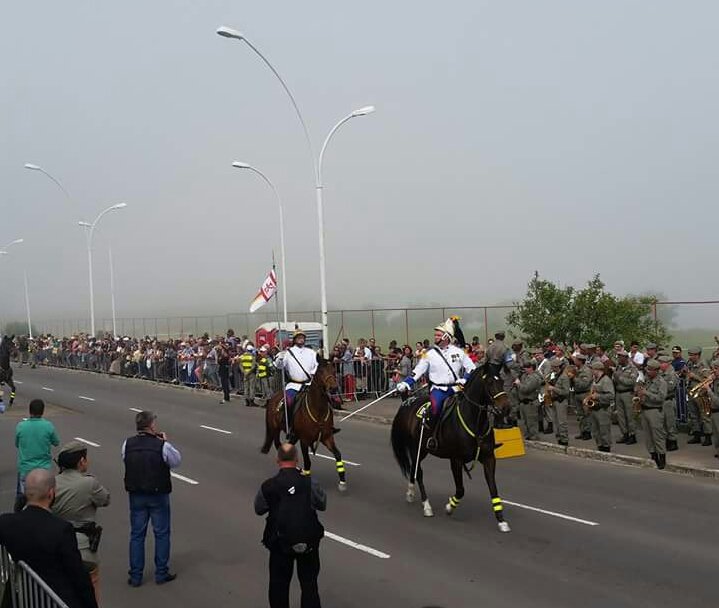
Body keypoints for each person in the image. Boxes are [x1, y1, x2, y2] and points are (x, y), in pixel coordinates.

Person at [0, 468, 98, 608]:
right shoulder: (61, 529)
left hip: (21, 597)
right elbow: (78, 575)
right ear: (51, 493)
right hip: (53, 598)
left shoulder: (6, 523)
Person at [255, 443, 325, 608]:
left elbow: (259, 509)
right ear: (297, 459)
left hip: (279, 543)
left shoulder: (269, 485)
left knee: (279, 585)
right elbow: (322, 503)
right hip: (309, 542)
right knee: (309, 585)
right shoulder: (310, 482)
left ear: (277, 460)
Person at [122, 410, 181, 587]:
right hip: (158, 494)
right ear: (151, 426)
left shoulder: (127, 444)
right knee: (161, 533)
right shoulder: (161, 445)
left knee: (137, 535)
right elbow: (176, 461)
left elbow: (125, 460)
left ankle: (136, 576)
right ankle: (161, 573)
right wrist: (164, 442)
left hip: (136, 493)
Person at [396, 318, 475, 449]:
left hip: (456, 388)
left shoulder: (459, 352)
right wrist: (406, 383)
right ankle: (432, 437)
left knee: (471, 407)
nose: (435, 337)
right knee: (435, 409)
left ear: (446, 336)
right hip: (438, 390)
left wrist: (465, 379)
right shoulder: (429, 354)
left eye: (438, 335)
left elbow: (472, 368)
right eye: (436, 334)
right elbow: (418, 371)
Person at [52, 441, 111, 603]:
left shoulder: (52, 483)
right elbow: (105, 499)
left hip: (58, 545)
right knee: (90, 592)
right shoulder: (89, 483)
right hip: (83, 548)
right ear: (81, 461)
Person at [15, 398, 60, 512]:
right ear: (43, 411)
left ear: (30, 411)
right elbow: (56, 442)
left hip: (25, 469)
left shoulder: (21, 426)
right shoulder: (48, 426)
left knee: (23, 498)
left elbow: (17, 444)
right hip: (43, 469)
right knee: (46, 500)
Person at [274, 330, 319, 437]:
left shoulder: (311, 352)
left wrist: (313, 373)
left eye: (302, 337)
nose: (301, 339)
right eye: (298, 337)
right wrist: (280, 357)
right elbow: (279, 366)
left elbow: (317, 364)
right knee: (288, 403)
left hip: (309, 385)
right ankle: (289, 426)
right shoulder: (288, 353)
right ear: (294, 340)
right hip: (294, 385)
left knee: (324, 400)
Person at [636, 359, 668, 469]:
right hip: (645, 409)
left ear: (656, 370)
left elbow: (661, 398)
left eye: (650, 370)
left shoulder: (661, 382)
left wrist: (646, 393)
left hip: (655, 410)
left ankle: (662, 458)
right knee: (648, 436)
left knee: (658, 436)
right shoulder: (646, 380)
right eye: (647, 369)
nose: (647, 371)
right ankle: (653, 455)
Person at [684, 347, 712, 445]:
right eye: (690, 355)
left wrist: (694, 376)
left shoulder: (703, 365)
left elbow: (708, 380)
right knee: (693, 414)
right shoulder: (690, 364)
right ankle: (697, 435)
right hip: (691, 391)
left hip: (701, 393)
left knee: (704, 415)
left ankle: (708, 436)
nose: (690, 357)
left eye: (692, 355)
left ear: (697, 355)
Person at [613, 350, 639, 444]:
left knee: (629, 415)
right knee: (620, 416)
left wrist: (619, 378)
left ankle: (632, 435)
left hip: (627, 393)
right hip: (618, 393)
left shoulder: (632, 368)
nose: (619, 359)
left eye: (620, 357)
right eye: (618, 357)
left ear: (625, 358)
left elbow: (631, 382)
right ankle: (624, 434)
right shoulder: (618, 367)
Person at [589, 360, 614, 452]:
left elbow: (611, 395)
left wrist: (598, 396)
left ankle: (606, 448)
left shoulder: (606, 380)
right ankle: (599, 447)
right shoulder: (595, 379)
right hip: (594, 408)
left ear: (598, 370)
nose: (591, 371)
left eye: (592, 369)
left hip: (603, 409)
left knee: (604, 430)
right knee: (596, 431)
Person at [545, 358, 571, 446]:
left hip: (561, 401)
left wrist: (553, 389)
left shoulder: (564, 377)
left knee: (562, 422)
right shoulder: (556, 375)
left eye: (553, 367)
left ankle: (564, 440)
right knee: (556, 421)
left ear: (557, 367)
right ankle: (559, 438)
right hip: (555, 400)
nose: (551, 369)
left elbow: (566, 391)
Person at [517, 359, 542, 440]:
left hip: (530, 402)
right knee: (525, 422)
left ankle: (534, 437)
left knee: (531, 422)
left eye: (527, 367)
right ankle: (528, 436)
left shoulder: (534, 378)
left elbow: (526, 389)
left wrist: (518, 384)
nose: (525, 369)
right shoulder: (525, 376)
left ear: (531, 368)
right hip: (523, 402)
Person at [658, 355, 679, 451]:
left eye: (662, 363)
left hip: (668, 400)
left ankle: (673, 441)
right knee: (662, 423)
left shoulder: (671, 374)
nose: (660, 364)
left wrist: (660, 386)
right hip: (661, 401)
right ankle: (667, 440)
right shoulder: (659, 373)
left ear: (667, 363)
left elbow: (670, 387)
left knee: (670, 423)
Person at [572, 353, 593, 440]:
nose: (575, 361)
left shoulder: (586, 370)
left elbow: (584, 384)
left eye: (576, 360)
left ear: (580, 361)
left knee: (586, 414)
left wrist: (574, 378)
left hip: (584, 393)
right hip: (577, 393)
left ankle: (587, 432)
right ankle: (582, 431)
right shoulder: (577, 370)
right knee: (580, 415)